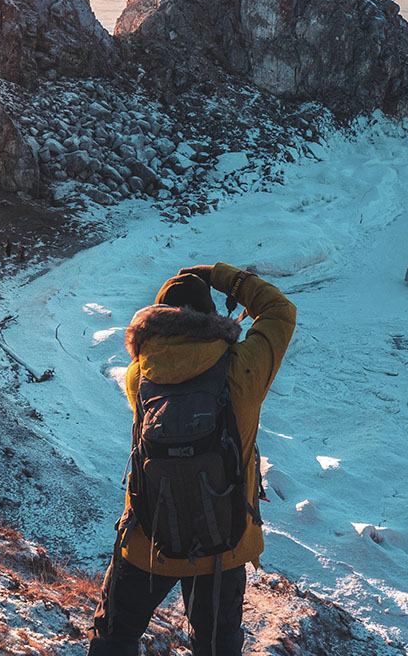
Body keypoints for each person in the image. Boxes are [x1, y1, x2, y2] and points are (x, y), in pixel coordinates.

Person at [88, 263, 296, 656]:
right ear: (211, 318)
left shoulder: (139, 377)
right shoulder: (243, 369)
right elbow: (280, 311)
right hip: (224, 545)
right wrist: (222, 275)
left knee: (114, 636)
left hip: (147, 539)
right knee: (216, 646)